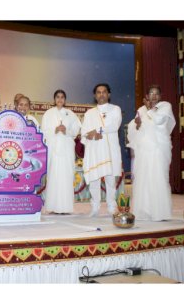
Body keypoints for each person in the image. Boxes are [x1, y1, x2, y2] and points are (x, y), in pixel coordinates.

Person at [126, 86, 176, 221]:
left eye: (156, 93)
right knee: (144, 178)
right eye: (151, 93)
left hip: (159, 148)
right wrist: (137, 125)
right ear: (147, 96)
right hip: (144, 149)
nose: (153, 96)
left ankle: (160, 213)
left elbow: (159, 121)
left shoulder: (165, 106)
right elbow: (133, 129)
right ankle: (144, 211)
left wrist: (149, 109)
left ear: (160, 96)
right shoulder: (141, 110)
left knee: (158, 177)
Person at [81, 83, 123, 216]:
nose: (101, 94)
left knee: (110, 179)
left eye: (104, 92)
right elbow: (84, 132)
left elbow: (114, 126)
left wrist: (98, 130)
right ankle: (95, 207)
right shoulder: (89, 113)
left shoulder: (115, 109)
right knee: (94, 178)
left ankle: (111, 206)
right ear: (95, 96)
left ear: (108, 94)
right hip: (95, 149)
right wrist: (91, 136)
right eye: (98, 92)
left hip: (109, 150)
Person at [41, 89, 82, 214]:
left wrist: (66, 131)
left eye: (62, 97)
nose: (60, 99)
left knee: (66, 176)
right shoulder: (48, 113)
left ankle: (66, 207)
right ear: (54, 99)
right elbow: (43, 131)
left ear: (65, 100)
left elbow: (76, 130)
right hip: (53, 149)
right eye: (57, 97)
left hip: (66, 149)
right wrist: (54, 130)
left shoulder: (71, 114)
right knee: (53, 176)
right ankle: (52, 207)